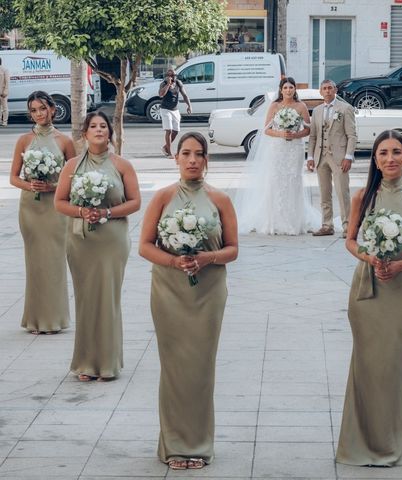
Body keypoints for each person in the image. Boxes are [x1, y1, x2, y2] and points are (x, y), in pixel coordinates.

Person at [139, 132, 238, 470]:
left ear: (206, 159)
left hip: (208, 291)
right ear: (176, 158)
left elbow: (232, 250)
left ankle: (198, 443)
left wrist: (207, 259)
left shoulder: (220, 199)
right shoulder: (163, 197)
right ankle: (173, 444)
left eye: (199, 154)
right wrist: (174, 261)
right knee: (174, 367)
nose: (193, 159)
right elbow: (145, 245)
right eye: (186, 153)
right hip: (169, 290)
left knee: (200, 367)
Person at [337, 130, 402, 466]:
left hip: (401, 290)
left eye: (396, 152)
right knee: (366, 364)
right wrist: (370, 257)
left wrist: (401, 264)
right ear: (375, 160)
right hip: (367, 289)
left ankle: (392, 440)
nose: (390, 158)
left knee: (393, 365)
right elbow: (350, 240)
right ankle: (360, 442)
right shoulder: (363, 196)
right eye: (383, 153)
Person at [54, 112, 141, 381]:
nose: (99, 130)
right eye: (93, 126)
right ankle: (86, 363)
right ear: (84, 134)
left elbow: (134, 202)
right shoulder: (71, 166)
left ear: (110, 134)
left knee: (108, 298)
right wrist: (82, 212)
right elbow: (60, 202)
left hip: (112, 240)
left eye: (103, 126)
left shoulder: (122, 165)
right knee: (86, 299)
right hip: (81, 241)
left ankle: (108, 363)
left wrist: (105, 214)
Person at [9, 91, 75, 333]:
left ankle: (55, 319)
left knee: (55, 261)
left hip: (54, 208)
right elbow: (13, 178)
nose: (38, 114)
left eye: (42, 109)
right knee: (34, 263)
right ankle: (35, 320)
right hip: (31, 209)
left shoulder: (65, 141)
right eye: (34, 110)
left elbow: (74, 179)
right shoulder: (24, 141)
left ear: (53, 110)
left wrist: (52, 186)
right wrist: (31, 185)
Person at [234, 76, 316, 235]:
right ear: (281, 90)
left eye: (291, 87)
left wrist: (296, 134)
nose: (288, 90)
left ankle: (294, 221)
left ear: (294, 89)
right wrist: (281, 133)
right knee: (276, 181)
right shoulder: (275, 106)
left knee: (293, 181)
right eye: (285, 88)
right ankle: (274, 220)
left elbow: (308, 129)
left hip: (295, 149)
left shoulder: (301, 106)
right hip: (277, 149)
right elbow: (266, 130)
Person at [307, 79, 357, 238]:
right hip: (321, 157)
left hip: (339, 157)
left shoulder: (345, 108)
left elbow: (352, 135)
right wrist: (310, 157)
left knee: (343, 192)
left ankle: (347, 226)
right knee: (324, 193)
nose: (327, 91)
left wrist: (348, 156)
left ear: (335, 90)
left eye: (330, 88)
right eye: (324, 88)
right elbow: (313, 136)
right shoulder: (317, 111)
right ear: (320, 92)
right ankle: (327, 225)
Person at [158, 68, 192, 158]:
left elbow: (184, 95)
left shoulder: (178, 83)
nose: (172, 77)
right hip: (165, 109)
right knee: (168, 130)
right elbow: (161, 94)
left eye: (173, 75)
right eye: (169, 76)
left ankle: (165, 147)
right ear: (166, 77)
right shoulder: (163, 84)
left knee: (176, 131)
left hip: (175, 110)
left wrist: (189, 105)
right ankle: (169, 153)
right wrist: (168, 84)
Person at [0, 57, 9, 126]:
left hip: (2, 92)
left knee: (4, 108)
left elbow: (7, 82)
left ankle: (4, 122)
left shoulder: (4, 70)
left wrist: (5, 91)